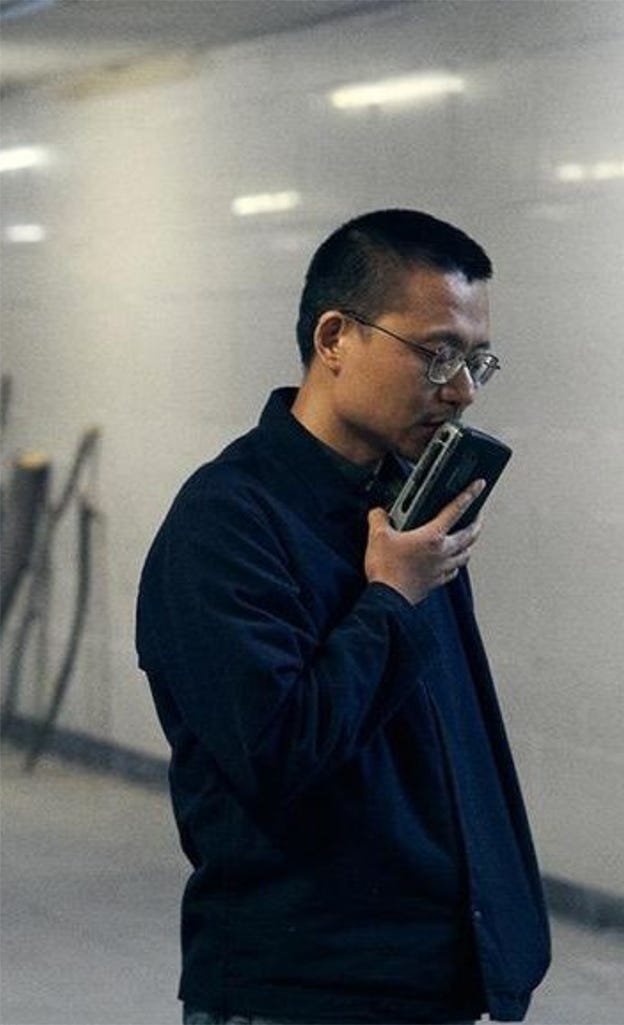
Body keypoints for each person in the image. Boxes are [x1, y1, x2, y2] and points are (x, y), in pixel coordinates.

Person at [136, 209, 550, 1025]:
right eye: (437, 354)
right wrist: (390, 599)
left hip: (429, 981)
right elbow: (277, 751)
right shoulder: (227, 521)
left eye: (477, 360)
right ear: (334, 337)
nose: (462, 389)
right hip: (303, 990)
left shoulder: (404, 508)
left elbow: (451, 742)